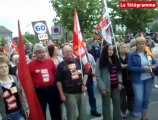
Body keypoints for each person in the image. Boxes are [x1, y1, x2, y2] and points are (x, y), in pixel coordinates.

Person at [28, 43, 61, 120]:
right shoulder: (30, 65)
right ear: (35, 53)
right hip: (39, 91)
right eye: (39, 52)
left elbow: (55, 73)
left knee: (55, 109)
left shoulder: (50, 61)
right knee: (41, 111)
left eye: (43, 52)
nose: (42, 54)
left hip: (52, 89)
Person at [56, 45, 89, 120]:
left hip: (81, 92)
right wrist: (61, 95)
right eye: (66, 52)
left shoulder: (78, 61)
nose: (69, 53)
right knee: (72, 115)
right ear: (63, 54)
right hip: (69, 94)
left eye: (70, 51)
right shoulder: (61, 65)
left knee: (83, 114)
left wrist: (84, 84)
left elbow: (85, 74)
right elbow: (58, 82)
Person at [128, 37, 156, 120]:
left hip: (149, 78)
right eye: (140, 44)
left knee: (146, 98)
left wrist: (153, 66)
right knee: (139, 98)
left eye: (143, 43)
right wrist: (143, 69)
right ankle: (136, 115)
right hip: (138, 79)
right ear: (136, 45)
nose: (142, 45)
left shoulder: (148, 53)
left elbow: (155, 63)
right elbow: (130, 68)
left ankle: (144, 117)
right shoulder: (132, 55)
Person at [96, 44, 123, 120]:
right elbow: (98, 76)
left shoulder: (116, 59)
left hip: (116, 86)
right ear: (105, 51)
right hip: (105, 86)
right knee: (106, 105)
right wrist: (102, 88)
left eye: (112, 50)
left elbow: (119, 72)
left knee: (117, 104)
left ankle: (117, 118)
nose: (111, 51)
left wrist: (120, 83)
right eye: (109, 50)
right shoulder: (100, 60)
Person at [118, 42, 134, 118]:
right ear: (119, 49)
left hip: (130, 79)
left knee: (131, 96)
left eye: (125, 47)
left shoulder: (130, 56)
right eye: (122, 47)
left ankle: (131, 110)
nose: (124, 49)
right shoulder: (116, 57)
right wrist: (121, 66)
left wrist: (125, 66)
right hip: (121, 80)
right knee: (122, 98)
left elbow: (133, 65)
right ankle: (123, 111)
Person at [86, 52, 101, 117]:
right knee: (80, 98)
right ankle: (81, 113)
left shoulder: (89, 56)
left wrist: (94, 71)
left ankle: (93, 110)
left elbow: (94, 65)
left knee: (91, 95)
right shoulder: (75, 56)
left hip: (89, 78)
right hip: (79, 79)